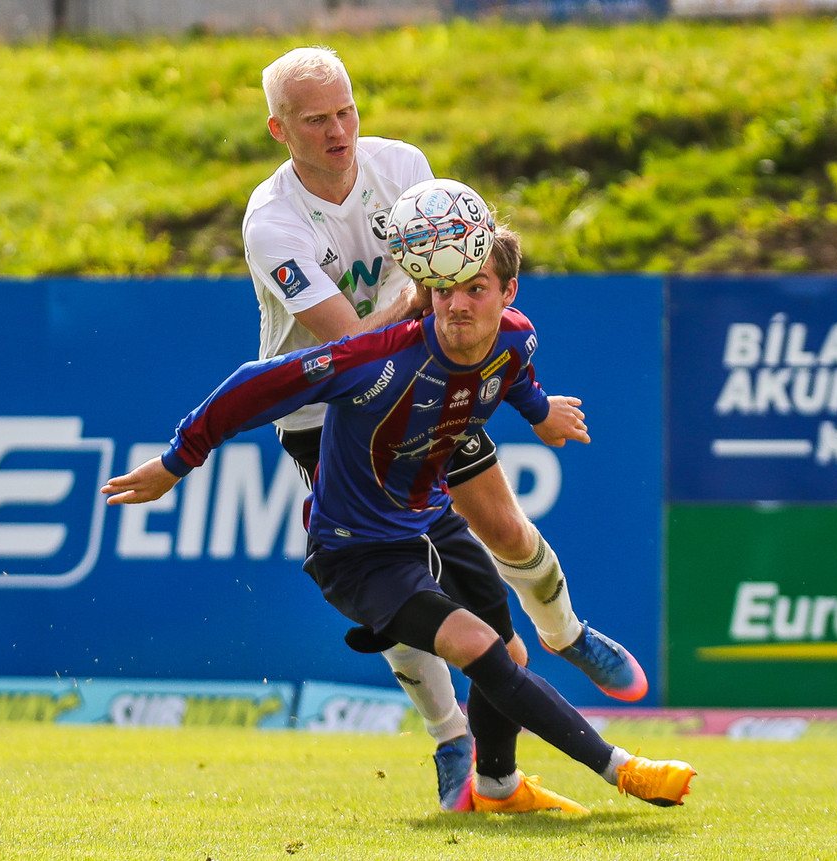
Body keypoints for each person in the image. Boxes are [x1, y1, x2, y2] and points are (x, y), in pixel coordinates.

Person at [102, 225, 696, 814]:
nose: (458, 304)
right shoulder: (376, 360)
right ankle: (621, 768)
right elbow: (253, 385)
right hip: (359, 552)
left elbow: (515, 375)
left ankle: (497, 788)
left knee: (509, 655)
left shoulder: (516, 338)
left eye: (476, 288)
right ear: (427, 290)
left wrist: (540, 413)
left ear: (508, 293)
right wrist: (177, 461)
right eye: (444, 289)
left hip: (433, 522)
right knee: (480, 646)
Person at [238, 45, 647, 810]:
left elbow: (468, 275)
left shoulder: (403, 168)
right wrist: (423, 289)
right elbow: (347, 347)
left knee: (506, 525)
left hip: (424, 380)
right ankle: (450, 735)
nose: (338, 130)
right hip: (329, 412)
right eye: (316, 120)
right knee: (398, 577)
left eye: (346, 111)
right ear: (278, 129)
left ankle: (566, 631)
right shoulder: (274, 223)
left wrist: (520, 381)